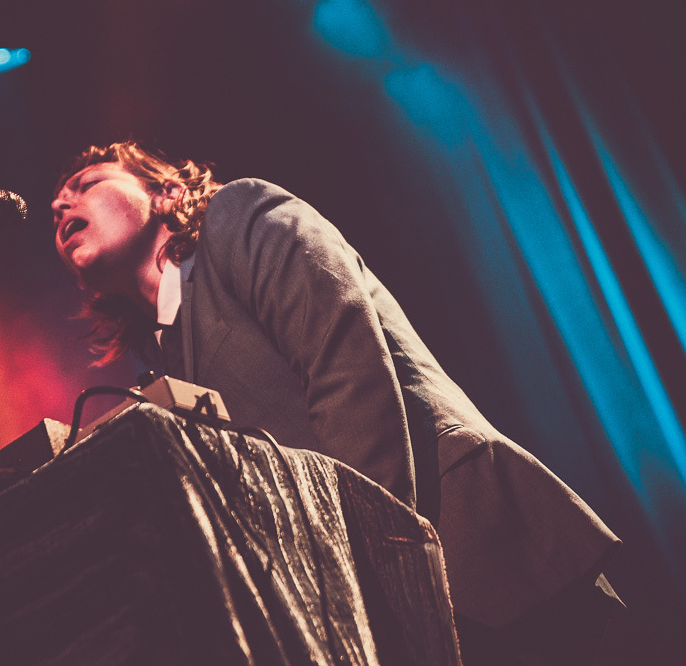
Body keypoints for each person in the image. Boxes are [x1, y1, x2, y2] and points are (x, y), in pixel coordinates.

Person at [51, 141, 623, 665]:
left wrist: (370, 580)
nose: (59, 202)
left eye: (86, 182)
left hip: (475, 560)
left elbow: (349, 372)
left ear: (166, 191)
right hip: (381, 613)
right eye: (59, 199)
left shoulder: (237, 216)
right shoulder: (161, 359)